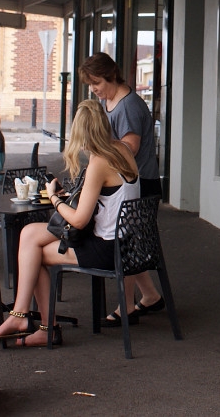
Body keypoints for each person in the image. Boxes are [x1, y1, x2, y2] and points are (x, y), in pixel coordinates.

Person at [0, 100, 140, 347]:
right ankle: (23, 316)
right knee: (29, 233)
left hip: (107, 249)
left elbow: (80, 220)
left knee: (34, 252)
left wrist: (52, 197)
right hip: (125, 242)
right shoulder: (122, 150)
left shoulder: (99, 162)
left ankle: (39, 325)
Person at [78, 52, 165, 326]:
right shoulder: (110, 102)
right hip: (129, 182)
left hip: (140, 183)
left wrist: (100, 152)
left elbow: (131, 146)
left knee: (122, 241)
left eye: (96, 83)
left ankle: (127, 306)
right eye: (91, 84)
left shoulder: (128, 106)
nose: (94, 89)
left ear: (111, 76)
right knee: (129, 243)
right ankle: (150, 296)